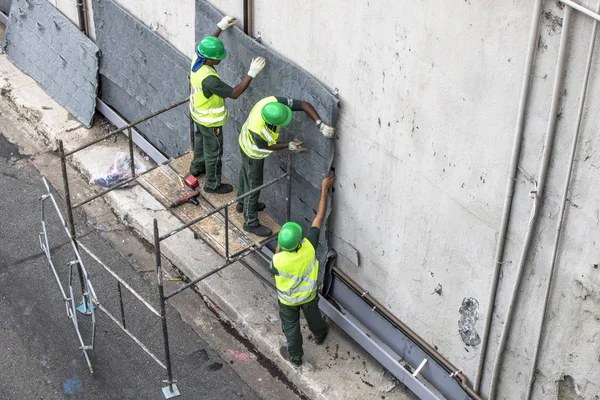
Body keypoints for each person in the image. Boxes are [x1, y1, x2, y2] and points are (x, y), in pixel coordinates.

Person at [237, 96, 336, 236]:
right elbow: (268, 146)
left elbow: (303, 104)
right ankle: (250, 222)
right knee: (254, 184)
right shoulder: (258, 130)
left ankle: (243, 203)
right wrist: (289, 145)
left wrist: (320, 124)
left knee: (246, 175)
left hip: (244, 140)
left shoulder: (272, 102)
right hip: (252, 151)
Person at [189, 15, 266, 194]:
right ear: (209, 60)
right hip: (210, 122)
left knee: (200, 144)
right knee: (214, 153)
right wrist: (251, 74)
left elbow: (208, 43)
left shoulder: (197, 59)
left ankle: (196, 168)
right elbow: (234, 93)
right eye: (217, 58)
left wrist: (220, 27)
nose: (220, 60)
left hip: (197, 115)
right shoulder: (209, 80)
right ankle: (212, 184)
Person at [271, 171, 335, 366]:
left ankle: (296, 357)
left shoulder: (278, 260)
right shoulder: (308, 248)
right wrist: (324, 189)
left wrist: (281, 246)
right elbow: (319, 217)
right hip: (308, 296)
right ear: (298, 240)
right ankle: (320, 334)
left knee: (291, 329)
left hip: (287, 301)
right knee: (313, 316)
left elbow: (276, 261)